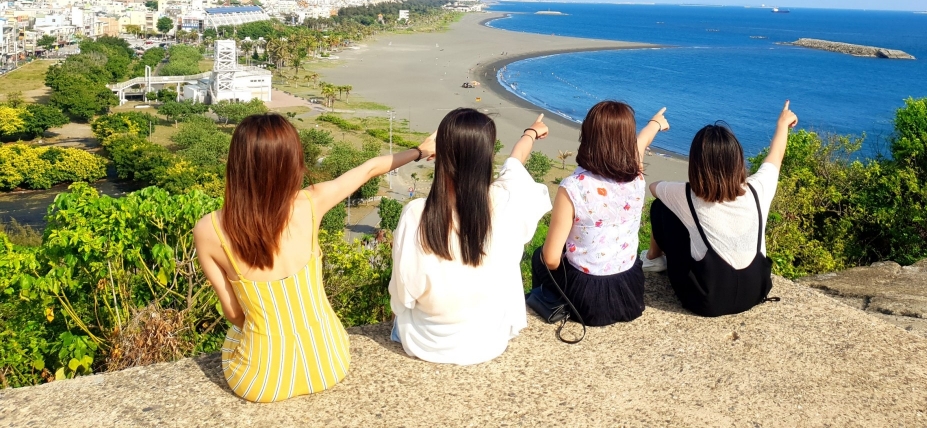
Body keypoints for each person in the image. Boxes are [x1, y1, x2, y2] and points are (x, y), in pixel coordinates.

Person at [194, 113, 436, 403]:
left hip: (259, 382)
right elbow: (369, 169)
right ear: (292, 162)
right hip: (328, 361)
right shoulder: (311, 202)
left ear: (236, 165)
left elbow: (234, 314)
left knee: (236, 335)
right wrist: (420, 151)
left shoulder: (209, 230)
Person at [389, 108, 551, 365]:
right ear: (487, 155)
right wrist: (531, 133)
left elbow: (403, 298)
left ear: (441, 155)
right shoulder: (506, 202)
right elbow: (515, 165)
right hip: (490, 340)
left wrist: (421, 150)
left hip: (426, 342)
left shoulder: (417, 214)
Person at [642, 101, 798, 317]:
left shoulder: (687, 195)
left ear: (697, 164)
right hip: (756, 290)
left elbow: (653, 188)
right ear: (737, 161)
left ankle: (652, 259)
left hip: (706, 300)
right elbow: (776, 157)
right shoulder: (757, 188)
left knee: (661, 207)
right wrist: (782, 124)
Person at [532, 101, 669, 326]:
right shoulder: (636, 176)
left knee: (540, 257)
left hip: (587, 298)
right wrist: (655, 123)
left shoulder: (573, 187)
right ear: (626, 139)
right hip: (630, 292)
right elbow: (640, 144)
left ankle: (550, 303)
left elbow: (551, 259)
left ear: (587, 135)